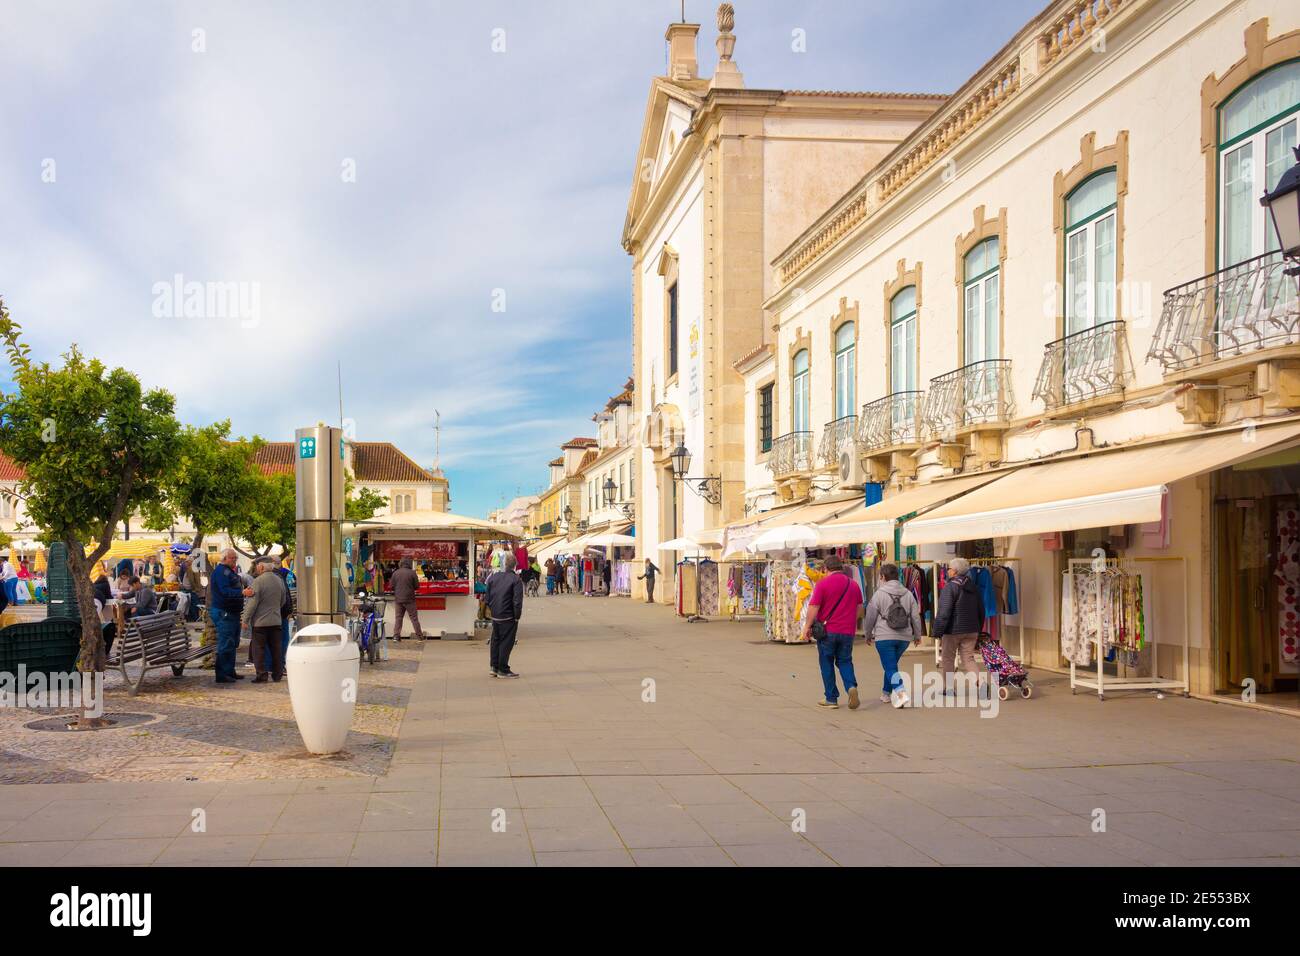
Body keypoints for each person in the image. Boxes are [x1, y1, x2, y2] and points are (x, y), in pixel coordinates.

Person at [801, 555, 864, 710]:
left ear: (825, 569)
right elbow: (860, 608)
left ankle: (831, 698)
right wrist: (850, 621)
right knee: (845, 661)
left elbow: (814, 607)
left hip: (827, 631)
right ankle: (851, 686)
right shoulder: (854, 585)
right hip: (847, 631)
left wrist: (807, 627)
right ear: (841, 568)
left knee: (826, 661)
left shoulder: (823, 584)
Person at [863, 563, 922, 707]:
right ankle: (885, 694)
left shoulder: (879, 594)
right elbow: (915, 616)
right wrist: (917, 635)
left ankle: (901, 693)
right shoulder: (908, 593)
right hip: (904, 638)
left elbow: (870, 616)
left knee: (890, 667)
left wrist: (868, 634)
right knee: (891, 665)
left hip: (884, 637)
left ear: (883, 577)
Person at [934, 557, 986, 690]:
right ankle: (981, 684)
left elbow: (944, 611)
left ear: (955, 571)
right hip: (971, 629)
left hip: (953, 630)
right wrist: (978, 628)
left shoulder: (950, 587)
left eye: (949, 569)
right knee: (968, 658)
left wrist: (938, 631)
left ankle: (949, 688)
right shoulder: (973, 587)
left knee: (948, 658)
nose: (948, 571)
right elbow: (981, 610)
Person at [209, 549, 251, 683]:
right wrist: (242, 592)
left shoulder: (229, 571)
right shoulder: (221, 572)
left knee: (232, 643)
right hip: (224, 612)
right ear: (225, 558)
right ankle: (222, 674)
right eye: (233, 558)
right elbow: (224, 591)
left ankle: (230, 671)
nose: (235, 560)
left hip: (231, 612)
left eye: (236, 558)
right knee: (226, 643)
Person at [243, 558, 287, 682]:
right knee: (276, 649)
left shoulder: (258, 582)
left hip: (260, 622)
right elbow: (283, 600)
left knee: (259, 650)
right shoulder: (279, 580)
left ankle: (262, 675)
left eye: (258, 566)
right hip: (276, 620)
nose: (257, 568)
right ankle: (277, 674)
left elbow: (252, 603)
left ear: (261, 567)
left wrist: (245, 620)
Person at [485, 552, 524, 679]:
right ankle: (503, 668)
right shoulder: (516, 580)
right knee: (506, 641)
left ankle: (494, 667)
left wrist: (492, 609)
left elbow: (487, 598)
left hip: (495, 614)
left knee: (495, 640)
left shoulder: (493, 577)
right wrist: (517, 616)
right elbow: (517, 601)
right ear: (514, 566)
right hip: (508, 616)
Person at [389, 557, 425, 640]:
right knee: (414, 618)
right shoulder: (412, 573)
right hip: (410, 599)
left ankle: (396, 636)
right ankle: (419, 636)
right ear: (409, 564)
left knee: (398, 618)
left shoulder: (395, 573)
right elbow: (417, 586)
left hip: (398, 599)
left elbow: (391, 586)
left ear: (401, 563)